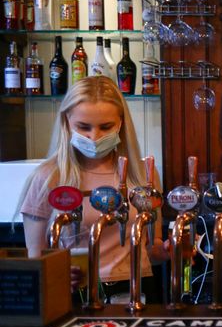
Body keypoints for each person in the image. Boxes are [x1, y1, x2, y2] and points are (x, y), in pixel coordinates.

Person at [18, 76, 168, 303]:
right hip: (76, 293)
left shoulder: (142, 176)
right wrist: (55, 273)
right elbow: (35, 261)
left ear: (121, 123)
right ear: (67, 122)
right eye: (83, 127)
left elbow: (152, 251)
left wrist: (171, 248)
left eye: (105, 127)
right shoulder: (49, 177)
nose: (94, 136)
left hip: (138, 288)